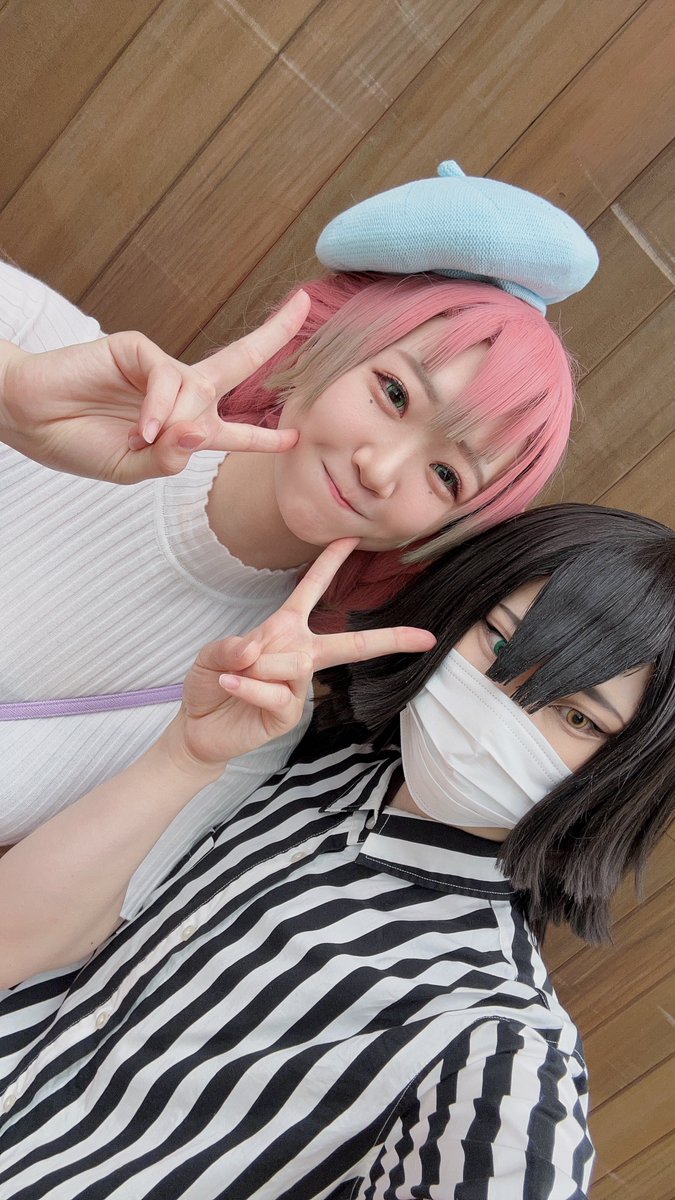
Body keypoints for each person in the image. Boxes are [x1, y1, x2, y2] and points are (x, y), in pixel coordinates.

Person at [0, 503, 672, 1199]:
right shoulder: (308, 754)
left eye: (575, 717)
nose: (502, 708)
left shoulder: (491, 1039)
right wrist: (188, 755)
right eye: (499, 645)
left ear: (625, 775)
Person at [0, 161, 597, 920]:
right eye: (393, 393)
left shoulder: (245, 705)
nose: (381, 468)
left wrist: (186, 757)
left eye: (447, 475)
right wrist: (9, 393)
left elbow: (24, 939)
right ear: (330, 342)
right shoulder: (36, 345)